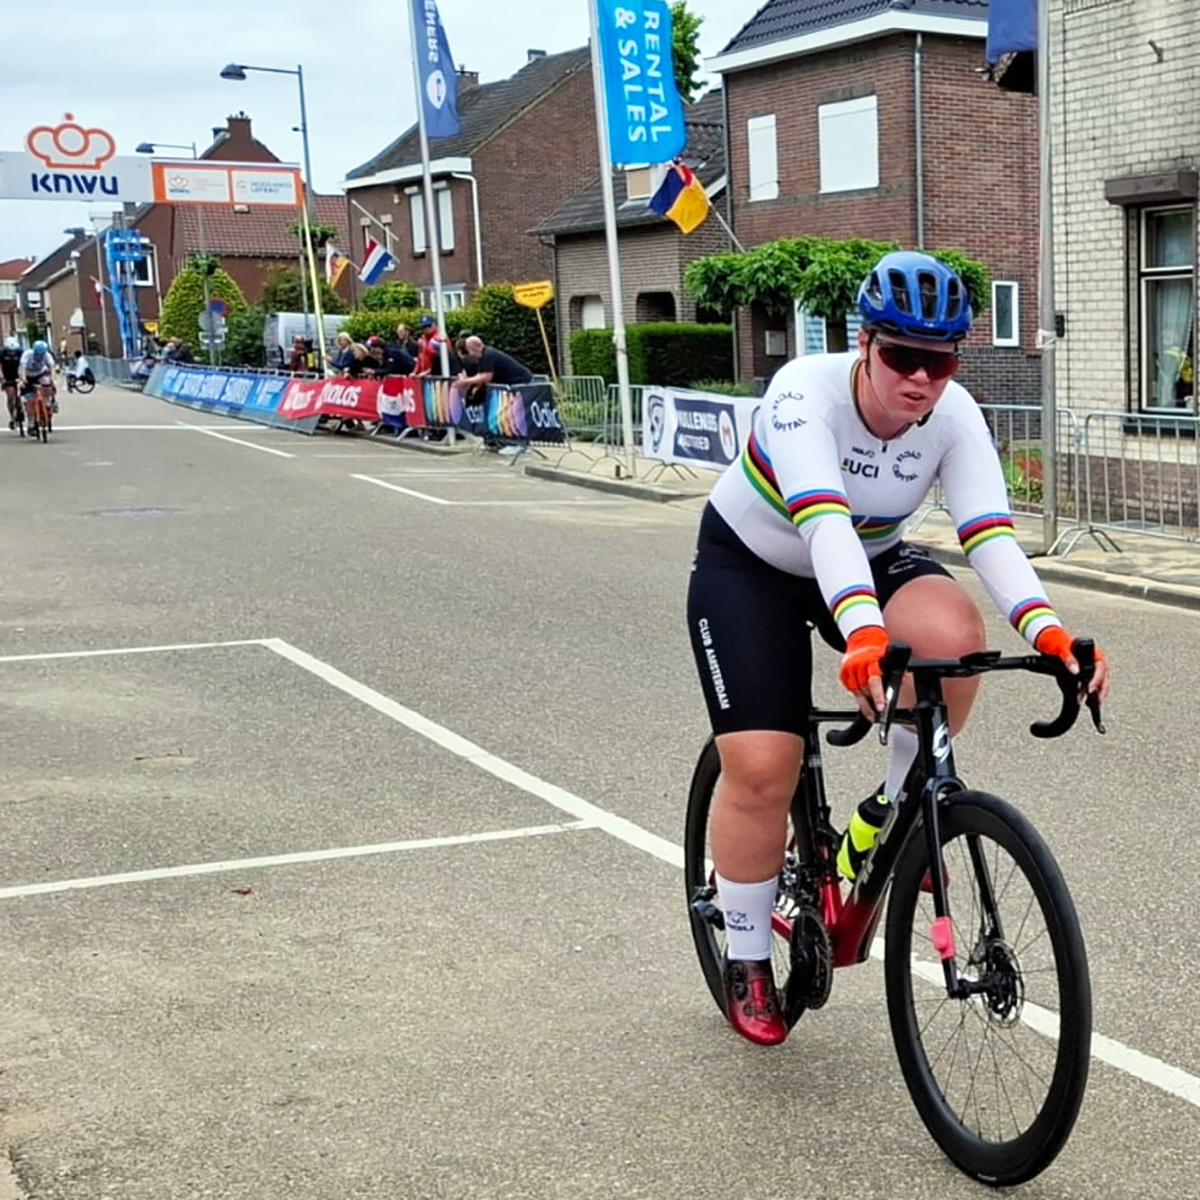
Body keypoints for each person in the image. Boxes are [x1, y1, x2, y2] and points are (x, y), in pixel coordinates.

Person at [685, 250, 1111, 1047]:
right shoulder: (802, 395)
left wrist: (1049, 633)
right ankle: (745, 952)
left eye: (940, 359)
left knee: (953, 635)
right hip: (755, 566)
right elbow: (824, 525)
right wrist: (866, 633)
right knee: (764, 768)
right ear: (864, 344)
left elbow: (990, 538)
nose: (920, 378)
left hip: (870, 559)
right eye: (902, 357)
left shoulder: (954, 417)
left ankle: (886, 804)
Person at [19, 339, 57, 424]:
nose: (39, 357)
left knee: (47, 382)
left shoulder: (47, 355)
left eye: (41, 354)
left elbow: (52, 368)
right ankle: (31, 421)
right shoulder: (27, 355)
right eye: (37, 354)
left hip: (40, 373)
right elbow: (22, 369)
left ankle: (48, 400)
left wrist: (53, 380)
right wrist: (23, 380)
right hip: (28, 375)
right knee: (30, 401)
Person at [1, 337, 23, 429]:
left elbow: (23, 365)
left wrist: (22, 377)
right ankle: (12, 416)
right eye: (10, 351)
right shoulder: (2, 354)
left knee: (19, 396)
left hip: (18, 375)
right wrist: (1, 376)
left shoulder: (20, 353)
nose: (12, 353)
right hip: (7, 377)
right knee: (10, 396)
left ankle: (21, 409)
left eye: (14, 351)